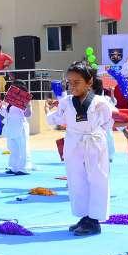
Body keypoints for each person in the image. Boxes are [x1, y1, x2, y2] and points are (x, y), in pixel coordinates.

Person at [44, 61, 112, 236]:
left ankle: (94, 220)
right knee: (76, 179)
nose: (72, 86)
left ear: (89, 82)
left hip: (94, 142)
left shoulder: (100, 102)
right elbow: (57, 120)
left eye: (77, 82)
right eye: (69, 82)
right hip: (73, 143)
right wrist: (48, 111)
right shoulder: (66, 102)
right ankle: (84, 216)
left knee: (97, 179)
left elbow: (107, 122)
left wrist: (96, 135)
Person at [0, 80, 32, 175]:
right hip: (11, 126)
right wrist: (1, 105)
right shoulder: (10, 101)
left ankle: (24, 168)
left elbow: (28, 114)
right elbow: (6, 114)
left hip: (20, 126)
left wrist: (27, 106)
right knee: (12, 147)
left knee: (23, 147)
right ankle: (14, 167)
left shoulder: (25, 99)